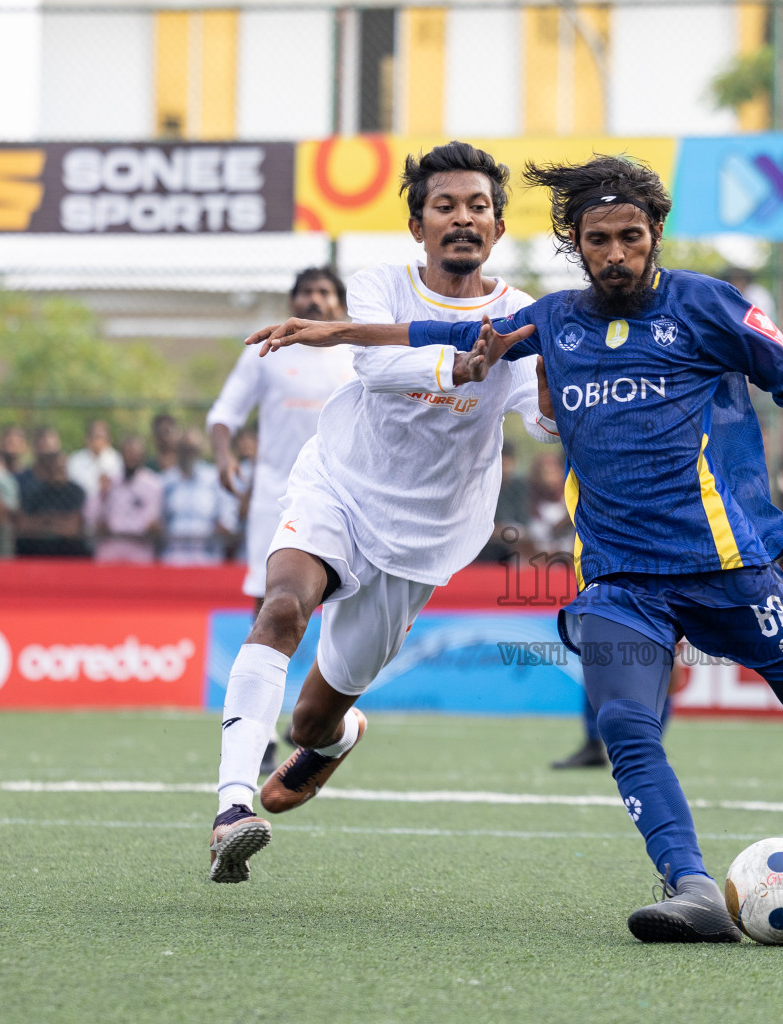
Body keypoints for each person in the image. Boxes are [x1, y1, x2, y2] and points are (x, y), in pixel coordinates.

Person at [252, 154, 783, 941]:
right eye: (598, 239)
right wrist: (330, 330)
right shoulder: (555, 318)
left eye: (631, 237)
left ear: (655, 236)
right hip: (619, 579)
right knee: (625, 724)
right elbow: (435, 330)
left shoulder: (711, 307)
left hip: (729, 568)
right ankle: (692, 887)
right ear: (577, 242)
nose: (615, 253)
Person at [206, 141, 556, 884]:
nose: (462, 218)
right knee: (280, 608)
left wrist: (559, 388)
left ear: (496, 228)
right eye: (445, 206)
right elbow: (373, 362)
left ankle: (334, 740)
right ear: (417, 224)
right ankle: (232, 807)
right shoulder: (379, 286)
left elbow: (541, 417)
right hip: (337, 483)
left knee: (311, 722)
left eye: (478, 208)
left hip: (424, 538)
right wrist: (463, 362)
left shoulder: (524, 316)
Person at [208, 267, 355, 610]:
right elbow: (224, 413)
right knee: (268, 592)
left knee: (343, 599)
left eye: (324, 292)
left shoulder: (356, 355)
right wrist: (223, 457)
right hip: (276, 492)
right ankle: (259, 665)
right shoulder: (266, 350)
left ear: (340, 304)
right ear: (293, 301)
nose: (314, 299)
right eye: (306, 291)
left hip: (346, 495)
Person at [159, 429, 236, 566]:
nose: (189, 454)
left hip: (206, 558)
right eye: (185, 449)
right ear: (178, 451)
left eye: (193, 449)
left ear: (200, 451)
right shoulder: (167, 480)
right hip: (173, 559)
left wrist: (224, 525)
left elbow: (227, 519)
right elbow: (160, 518)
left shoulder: (213, 478)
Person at [87, 435, 163, 563]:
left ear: (143, 456)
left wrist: (118, 526)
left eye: (136, 454)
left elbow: (150, 521)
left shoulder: (153, 484)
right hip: (111, 549)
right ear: (121, 454)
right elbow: (90, 516)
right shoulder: (109, 481)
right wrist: (102, 495)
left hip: (139, 550)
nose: (131, 458)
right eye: (128, 454)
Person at [15, 450, 91, 557]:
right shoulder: (34, 491)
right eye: (53, 468)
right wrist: (55, 522)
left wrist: (44, 521)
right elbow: (24, 525)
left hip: (69, 548)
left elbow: (72, 527)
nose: (57, 471)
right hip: (36, 548)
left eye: (61, 468)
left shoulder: (76, 492)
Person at [66, 419, 122, 500]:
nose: (98, 441)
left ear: (108, 440)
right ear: (87, 439)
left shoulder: (116, 459)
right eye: (95, 437)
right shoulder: (75, 460)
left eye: (102, 437)